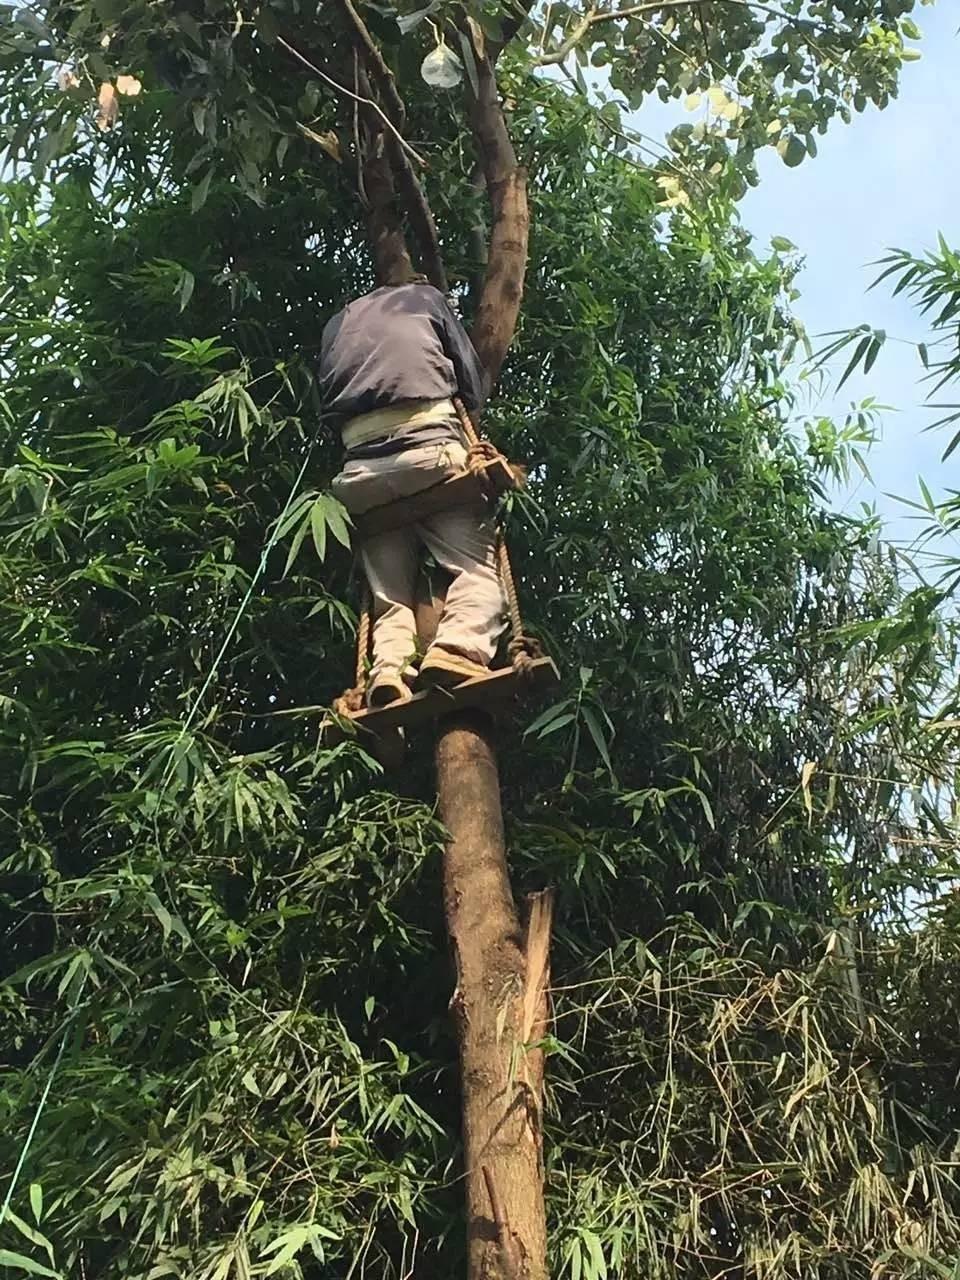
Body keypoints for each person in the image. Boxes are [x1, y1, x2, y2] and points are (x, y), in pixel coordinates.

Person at [319, 276, 507, 709]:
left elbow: (326, 405)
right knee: (477, 573)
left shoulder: (336, 324)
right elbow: (469, 383)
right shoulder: (425, 298)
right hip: (431, 454)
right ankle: (456, 649)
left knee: (389, 598)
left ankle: (388, 672)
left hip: (360, 472)